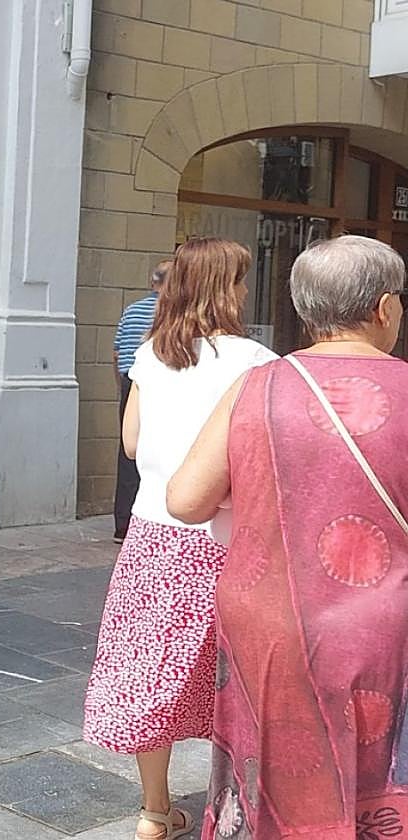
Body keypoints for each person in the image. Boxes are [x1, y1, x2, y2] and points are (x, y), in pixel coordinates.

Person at [168, 236, 408, 839]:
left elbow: (185, 500)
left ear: (307, 311)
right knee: (382, 778)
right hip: (385, 630)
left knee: (276, 775)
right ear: (384, 308)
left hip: (270, 630)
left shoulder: (257, 386)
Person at [81, 238, 277, 840]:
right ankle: (242, 803)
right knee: (238, 677)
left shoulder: (149, 356)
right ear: (225, 288)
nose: (245, 290)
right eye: (240, 280)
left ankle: (153, 810)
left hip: (152, 537)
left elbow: (133, 444)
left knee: (150, 668)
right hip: (227, 538)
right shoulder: (257, 361)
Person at [112, 260, 170, 543]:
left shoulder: (131, 309)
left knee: (127, 451)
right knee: (155, 447)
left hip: (128, 380)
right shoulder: (170, 312)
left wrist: (122, 385)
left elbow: (116, 351)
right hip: (157, 383)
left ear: (152, 282)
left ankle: (121, 523)